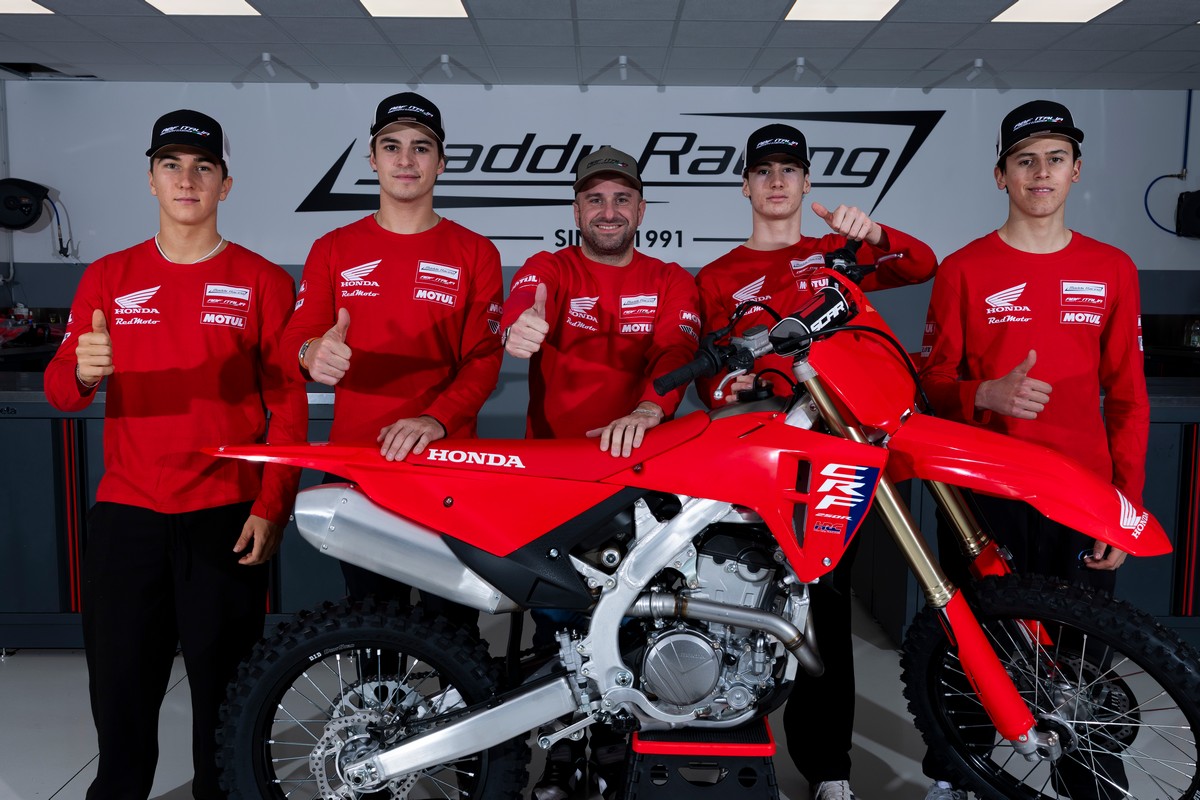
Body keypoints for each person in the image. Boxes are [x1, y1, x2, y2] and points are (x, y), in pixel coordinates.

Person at [44, 109, 307, 800]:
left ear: (225, 184)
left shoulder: (262, 281)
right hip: (128, 514)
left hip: (227, 514)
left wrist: (274, 504)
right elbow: (62, 392)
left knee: (228, 692)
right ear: (151, 180)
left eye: (202, 167)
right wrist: (83, 371)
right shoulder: (109, 276)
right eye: (172, 165)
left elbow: (288, 407)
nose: (187, 179)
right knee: (121, 691)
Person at [696, 123, 938, 800]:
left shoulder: (835, 253)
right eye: (763, 171)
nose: (776, 181)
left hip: (833, 455)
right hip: (753, 461)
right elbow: (707, 377)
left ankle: (828, 767)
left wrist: (876, 233)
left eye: (789, 170)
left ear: (806, 184)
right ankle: (742, 756)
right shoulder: (716, 276)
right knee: (741, 611)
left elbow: (921, 264)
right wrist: (728, 388)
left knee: (823, 615)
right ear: (745, 186)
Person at [917, 100, 1148, 800]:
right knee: (972, 646)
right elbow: (930, 383)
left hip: (1081, 494)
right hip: (986, 494)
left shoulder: (1112, 268)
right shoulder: (963, 268)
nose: (1040, 172)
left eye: (1054, 158)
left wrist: (1126, 509)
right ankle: (957, 778)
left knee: (1082, 654)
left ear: (1076, 170)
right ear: (1001, 176)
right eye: (1025, 160)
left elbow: (1128, 398)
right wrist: (983, 394)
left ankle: (1088, 782)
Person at [501, 145, 700, 798]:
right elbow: (525, 301)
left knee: (632, 619)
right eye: (594, 199)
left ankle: (616, 746)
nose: (608, 211)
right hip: (558, 484)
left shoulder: (670, 279)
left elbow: (676, 347)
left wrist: (647, 408)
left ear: (640, 210)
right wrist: (520, 325)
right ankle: (561, 752)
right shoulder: (553, 269)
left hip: (640, 482)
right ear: (576, 211)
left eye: (621, 199)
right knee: (558, 625)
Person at [280, 91, 502, 629]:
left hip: (446, 467)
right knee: (374, 625)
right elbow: (296, 339)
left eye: (421, 148)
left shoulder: (476, 251)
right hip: (362, 468)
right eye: (392, 146)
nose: (406, 160)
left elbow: (483, 358)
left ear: (441, 163)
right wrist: (312, 353)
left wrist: (435, 419)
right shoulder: (333, 247)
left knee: (453, 629)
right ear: (373, 159)